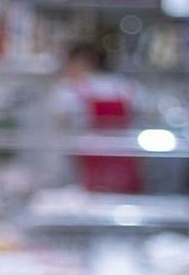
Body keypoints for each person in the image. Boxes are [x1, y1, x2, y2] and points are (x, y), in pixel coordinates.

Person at [47, 42, 148, 194]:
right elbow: (147, 115)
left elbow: (58, 121)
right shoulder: (129, 86)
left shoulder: (67, 90)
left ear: (83, 61)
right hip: (124, 167)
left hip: (84, 172)